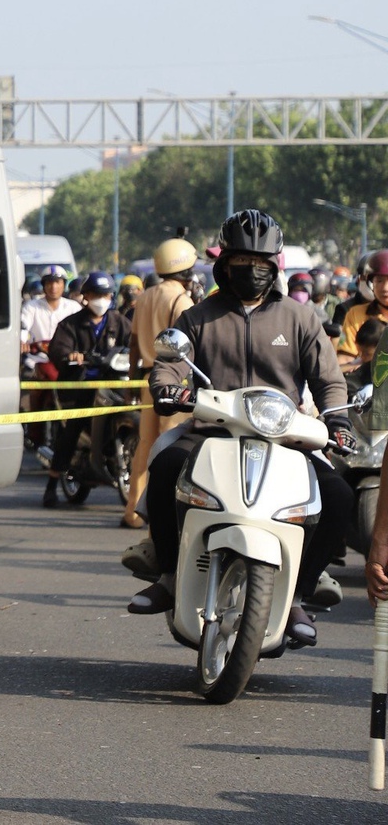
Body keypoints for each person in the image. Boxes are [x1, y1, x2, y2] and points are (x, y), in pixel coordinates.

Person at [130, 210, 356, 647]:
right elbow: (171, 366)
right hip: (213, 430)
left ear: (275, 267)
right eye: (242, 261)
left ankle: (298, 594)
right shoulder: (197, 317)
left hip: (286, 436)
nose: (252, 270)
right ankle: (169, 574)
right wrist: (169, 388)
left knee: (339, 495)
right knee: (166, 463)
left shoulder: (301, 319)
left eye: (262, 262)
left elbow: (328, 380)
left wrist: (338, 420)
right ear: (224, 263)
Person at [120, 239, 199, 531]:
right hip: (174, 380)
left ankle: (133, 512)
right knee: (169, 451)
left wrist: (131, 379)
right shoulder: (182, 302)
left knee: (145, 447)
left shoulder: (146, 296)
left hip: (147, 378)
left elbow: (132, 344)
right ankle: (160, 519)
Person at [42, 271, 133, 507]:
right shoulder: (71, 324)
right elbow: (58, 350)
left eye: (105, 294)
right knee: (71, 430)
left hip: (114, 385)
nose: (101, 299)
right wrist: (70, 355)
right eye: (96, 294)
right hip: (79, 388)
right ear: (86, 296)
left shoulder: (119, 322)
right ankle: (52, 484)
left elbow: (135, 343)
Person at [20, 269, 81, 456]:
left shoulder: (72, 308)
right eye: (49, 282)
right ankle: (34, 432)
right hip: (39, 360)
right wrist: (23, 342)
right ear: (44, 285)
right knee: (35, 391)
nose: (53, 287)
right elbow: (24, 327)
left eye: (58, 282)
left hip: (66, 361)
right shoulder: (32, 307)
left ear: (64, 285)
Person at [337, 250, 388, 360]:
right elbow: (345, 357)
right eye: (379, 281)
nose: (385, 288)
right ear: (371, 283)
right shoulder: (355, 314)